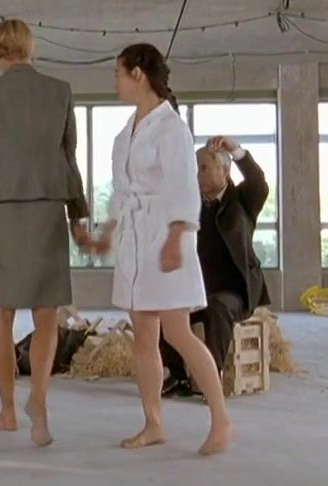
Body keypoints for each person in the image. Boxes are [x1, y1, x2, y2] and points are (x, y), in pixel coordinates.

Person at [84, 43, 231, 456]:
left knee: (178, 332)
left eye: (118, 73)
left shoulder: (172, 129)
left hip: (167, 237)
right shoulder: (124, 135)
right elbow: (121, 194)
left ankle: (221, 419)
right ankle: (153, 423)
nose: (114, 82)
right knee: (144, 337)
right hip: (135, 240)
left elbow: (184, 187)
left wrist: (175, 236)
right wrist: (108, 234)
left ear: (138, 74)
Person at [0, 18, 92, 447]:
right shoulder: (60, 91)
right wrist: (78, 215)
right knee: (47, 314)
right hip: (49, 210)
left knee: (3, 314)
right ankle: (40, 401)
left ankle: (8, 412)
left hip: (5, 212)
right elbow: (69, 159)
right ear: (32, 49)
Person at [159, 135, 271, 398]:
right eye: (195, 168)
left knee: (217, 308)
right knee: (166, 309)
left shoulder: (243, 199)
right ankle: (177, 375)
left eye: (204, 168)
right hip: (198, 288)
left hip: (235, 291)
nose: (197, 174)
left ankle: (211, 377)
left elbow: (259, 183)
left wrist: (235, 149)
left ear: (224, 171)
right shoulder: (191, 205)